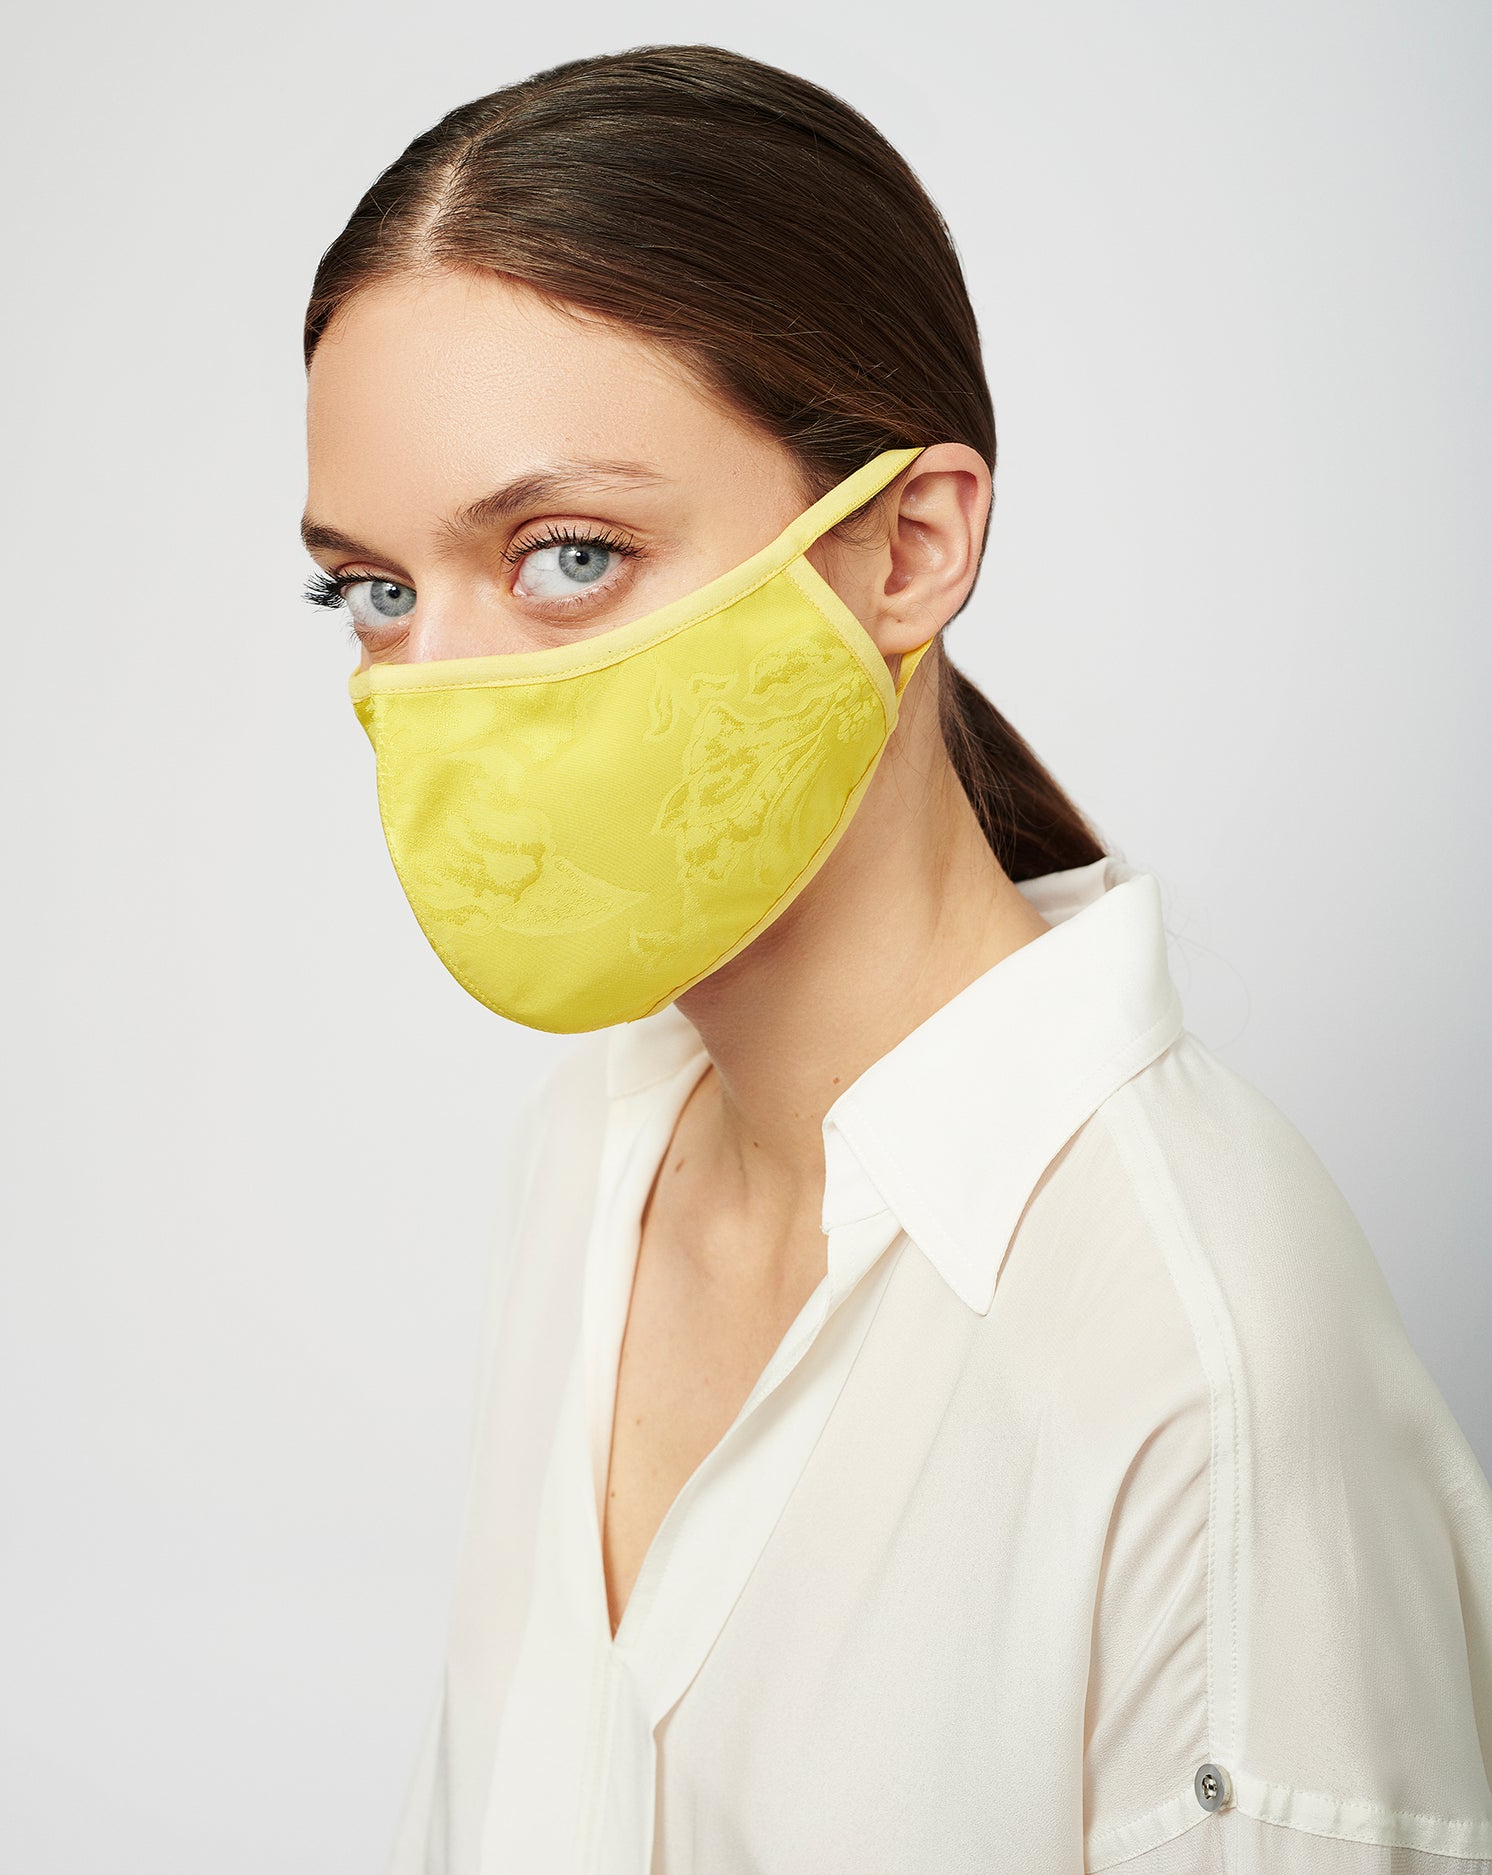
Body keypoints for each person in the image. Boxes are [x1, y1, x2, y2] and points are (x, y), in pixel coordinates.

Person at [299, 43, 1492, 1875]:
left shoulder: (1204, 1358)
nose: (440, 689)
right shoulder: (584, 1164)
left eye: (563, 556)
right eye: (374, 591)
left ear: (905, 552)